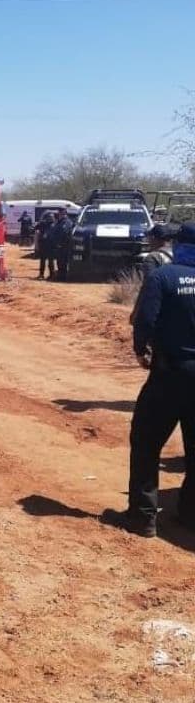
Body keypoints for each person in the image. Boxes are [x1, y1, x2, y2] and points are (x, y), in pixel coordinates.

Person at [103, 221, 195, 537]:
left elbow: (145, 319)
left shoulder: (163, 276)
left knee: (146, 442)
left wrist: (141, 350)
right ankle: (190, 514)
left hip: (169, 375)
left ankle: (142, 517)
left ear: (178, 245)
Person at [130, 223, 178, 325]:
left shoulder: (153, 257)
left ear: (154, 238)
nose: (148, 241)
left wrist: (136, 311)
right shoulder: (179, 255)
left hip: (160, 305)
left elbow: (148, 286)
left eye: (150, 238)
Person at [50, 209, 75, 281]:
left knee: (63, 262)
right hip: (58, 245)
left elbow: (64, 232)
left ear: (65, 214)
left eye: (61, 214)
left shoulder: (67, 222)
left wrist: (60, 243)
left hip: (64, 246)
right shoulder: (59, 222)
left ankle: (63, 277)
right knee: (59, 262)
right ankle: (60, 276)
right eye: (59, 214)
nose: (60, 215)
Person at [35, 212, 57, 279]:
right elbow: (35, 228)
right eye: (50, 217)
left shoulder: (55, 225)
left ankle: (52, 275)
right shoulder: (43, 224)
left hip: (50, 245)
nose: (51, 218)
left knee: (50, 261)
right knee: (43, 260)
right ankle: (41, 274)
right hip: (43, 245)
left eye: (52, 217)